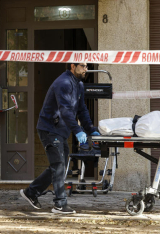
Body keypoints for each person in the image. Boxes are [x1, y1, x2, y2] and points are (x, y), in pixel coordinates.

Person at [20, 62, 100, 214]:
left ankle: (31, 192)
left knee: (59, 167)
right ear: (72, 66)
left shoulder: (79, 85)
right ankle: (60, 204)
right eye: (83, 66)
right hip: (50, 129)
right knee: (58, 165)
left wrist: (90, 129)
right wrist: (77, 131)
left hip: (60, 131)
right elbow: (65, 110)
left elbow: (82, 110)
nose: (86, 69)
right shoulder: (63, 83)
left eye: (87, 66)